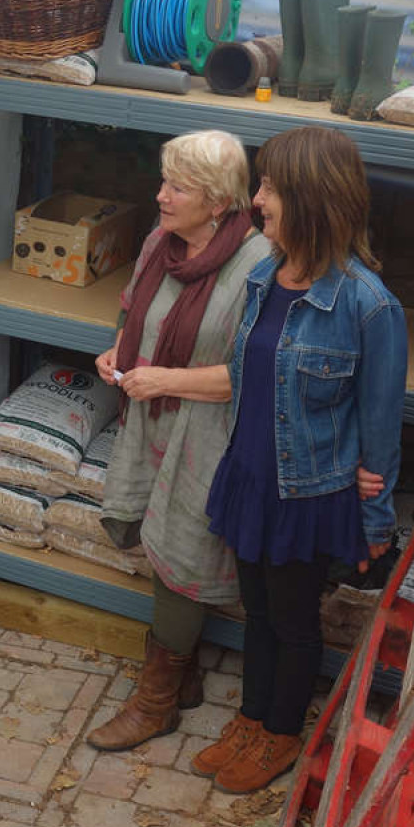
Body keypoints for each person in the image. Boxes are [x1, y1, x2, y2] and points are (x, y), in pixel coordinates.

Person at [192, 126, 407, 794]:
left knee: (290, 618)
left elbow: (380, 431)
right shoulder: (264, 276)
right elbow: (244, 374)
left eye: (270, 189)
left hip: (306, 495)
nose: (257, 201)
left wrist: (375, 520)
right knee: (254, 610)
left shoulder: (369, 307)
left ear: (312, 199)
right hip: (251, 476)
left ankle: (282, 733)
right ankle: (252, 717)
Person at [86, 130, 270, 753]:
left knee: (181, 559)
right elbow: (133, 311)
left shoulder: (258, 266)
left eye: (177, 187)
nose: (160, 196)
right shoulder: (158, 245)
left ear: (218, 201)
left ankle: (155, 703)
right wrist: (118, 352)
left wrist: (166, 377)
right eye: (163, 181)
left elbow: (256, 375)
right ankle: (184, 676)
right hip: (154, 419)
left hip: (211, 435)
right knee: (157, 541)